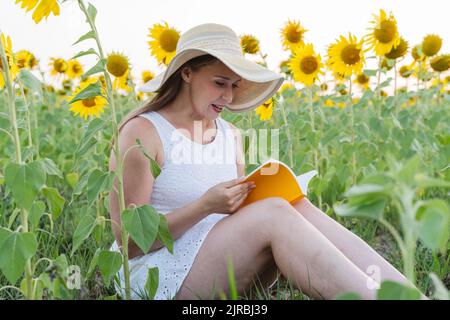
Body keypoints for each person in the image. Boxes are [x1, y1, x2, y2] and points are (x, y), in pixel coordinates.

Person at [109, 23, 422, 300]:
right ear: (186, 73)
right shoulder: (143, 133)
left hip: (219, 260)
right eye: (220, 83)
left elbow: (235, 222)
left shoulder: (229, 134)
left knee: (294, 204)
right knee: (273, 213)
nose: (229, 98)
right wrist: (206, 205)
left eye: (234, 86)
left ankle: (406, 296)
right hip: (157, 274)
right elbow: (131, 243)